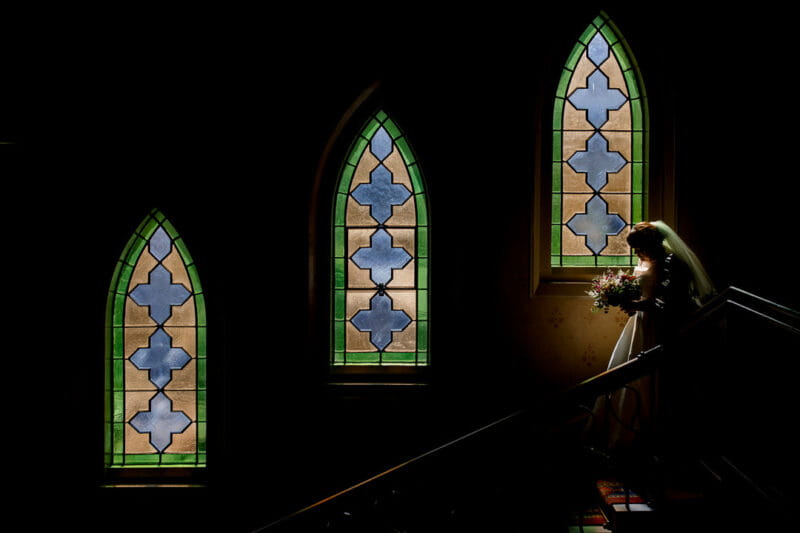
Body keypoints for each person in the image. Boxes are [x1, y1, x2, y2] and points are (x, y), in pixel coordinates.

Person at [585, 220, 715, 452]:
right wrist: (628, 300)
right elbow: (647, 291)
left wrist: (636, 303)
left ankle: (651, 437)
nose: (636, 253)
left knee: (656, 378)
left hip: (663, 327)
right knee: (627, 373)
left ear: (650, 243)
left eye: (638, 248)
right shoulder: (648, 259)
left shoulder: (673, 264)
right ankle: (621, 429)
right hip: (642, 324)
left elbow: (669, 301)